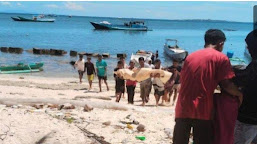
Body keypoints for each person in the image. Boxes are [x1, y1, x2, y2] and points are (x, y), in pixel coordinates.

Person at [173, 29, 243, 144]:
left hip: (182, 107)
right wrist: (239, 94)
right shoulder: (221, 58)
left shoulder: (191, 57)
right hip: (202, 109)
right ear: (221, 44)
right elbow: (226, 85)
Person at [234, 29, 257, 144]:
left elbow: (241, 80)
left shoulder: (252, 68)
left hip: (247, 120)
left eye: (248, 47)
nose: (246, 49)